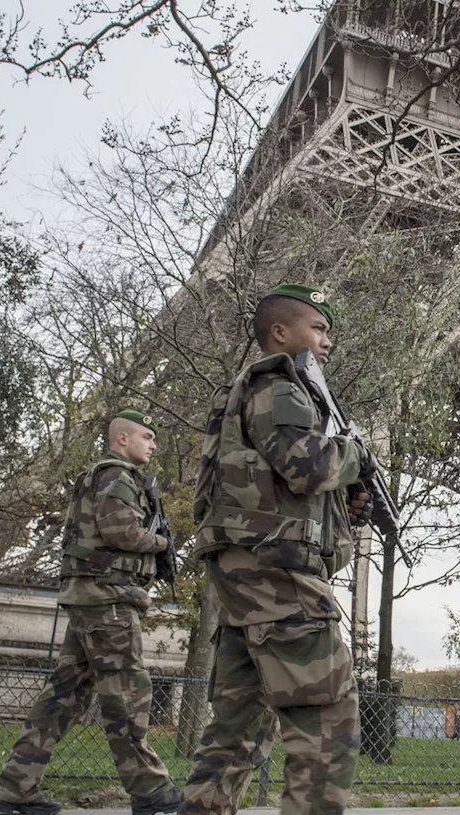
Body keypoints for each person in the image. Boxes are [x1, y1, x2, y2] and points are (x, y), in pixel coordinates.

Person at [180, 284, 373, 815]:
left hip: (247, 579)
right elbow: (306, 465)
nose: (327, 339)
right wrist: (354, 454)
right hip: (278, 576)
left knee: (239, 728)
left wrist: (341, 515)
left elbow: (275, 487)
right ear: (281, 333)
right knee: (329, 722)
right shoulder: (282, 384)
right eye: (319, 327)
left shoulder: (247, 392)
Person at [0, 410, 183, 815]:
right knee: (126, 694)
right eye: (147, 436)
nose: (153, 444)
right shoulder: (117, 477)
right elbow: (122, 533)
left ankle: (15, 787)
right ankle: (149, 788)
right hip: (108, 603)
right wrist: (164, 545)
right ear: (122, 439)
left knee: (61, 697)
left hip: (89, 600)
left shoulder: (97, 477)